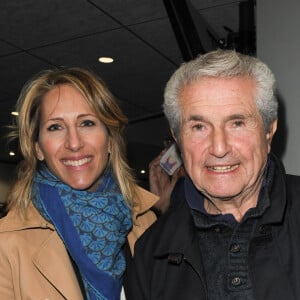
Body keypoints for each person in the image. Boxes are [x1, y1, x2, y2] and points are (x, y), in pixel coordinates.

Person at [126, 49, 300, 299]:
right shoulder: (151, 252)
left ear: (268, 131)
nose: (219, 148)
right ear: (178, 139)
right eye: (198, 127)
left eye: (237, 123)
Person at [0, 67, 158, 299]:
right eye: (55, 127)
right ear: (38, 148)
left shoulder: (146, 222)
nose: (74, 143)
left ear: (110, 139)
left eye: (87, 123)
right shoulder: (7, 243)